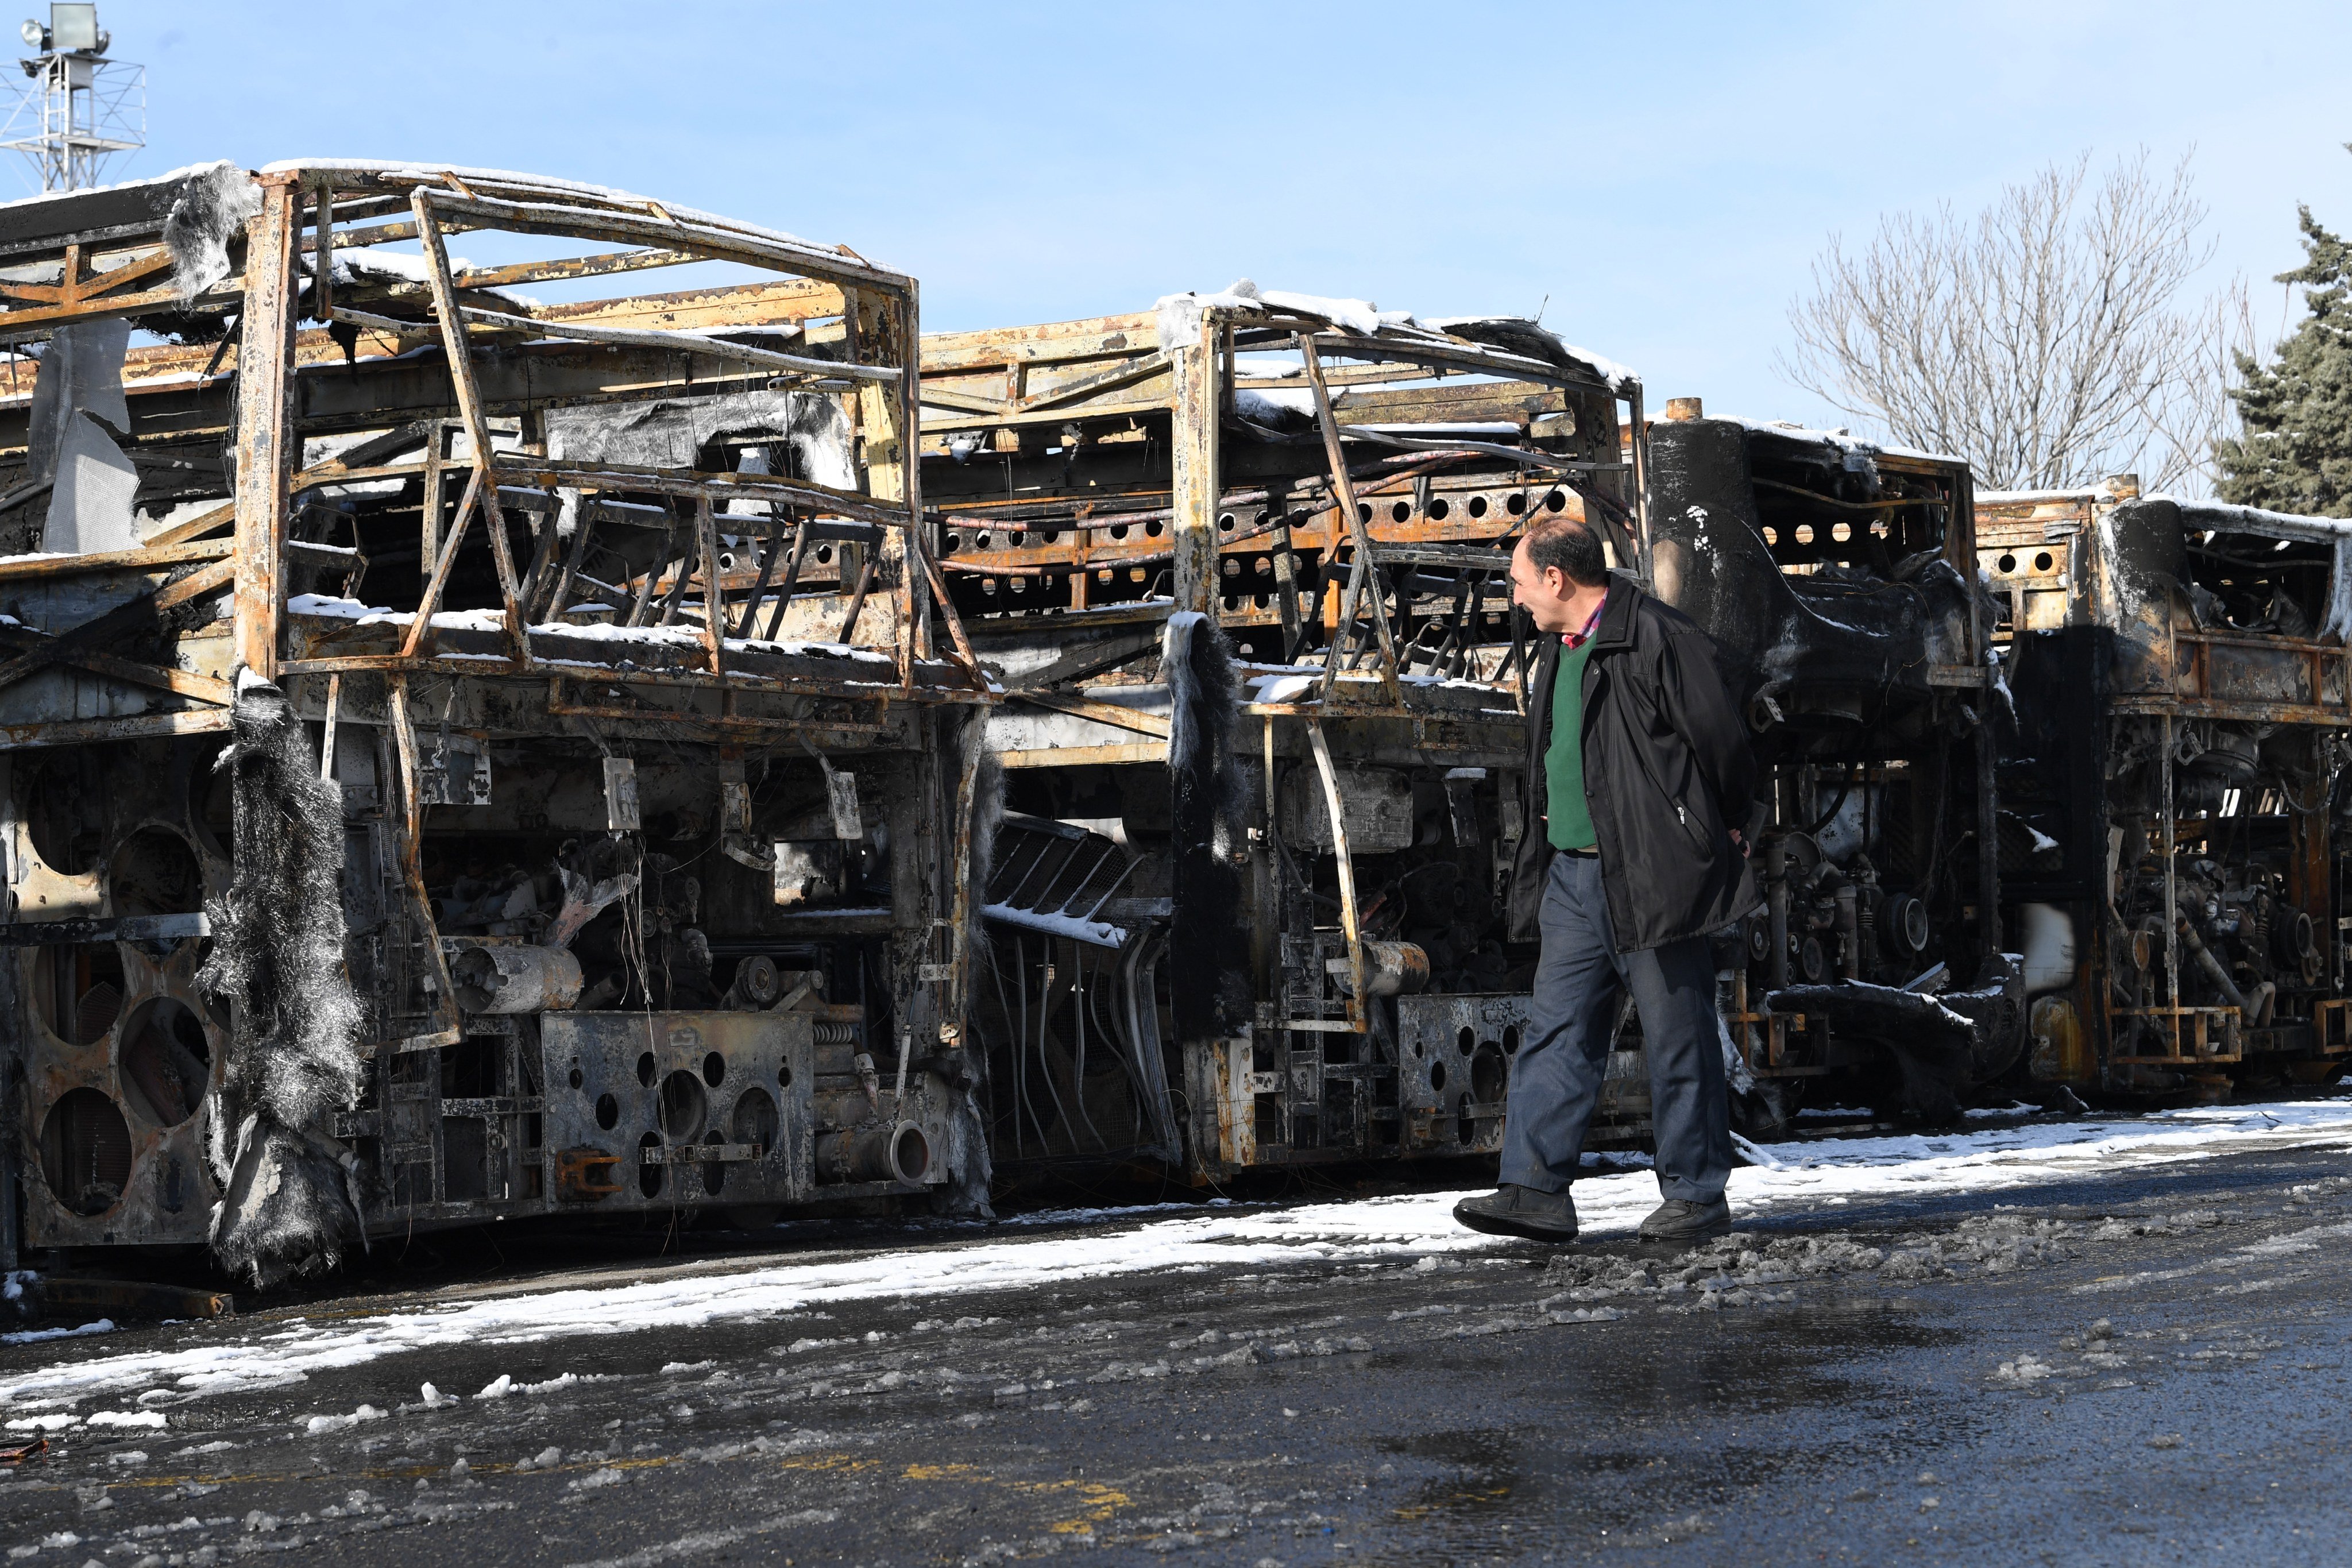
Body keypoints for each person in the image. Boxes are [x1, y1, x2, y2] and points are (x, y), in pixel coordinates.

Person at [1453, 513, 1760, 1244]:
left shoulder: (1659, 637)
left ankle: (1696, 1195)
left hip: (1654, 873)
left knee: (1678, 1036)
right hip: (1572, 874)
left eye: (1520, 582)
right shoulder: (1559, 648)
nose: (1516, 597)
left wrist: (1724, 829)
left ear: (1556, 577)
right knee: (1557, 1032)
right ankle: (1534, 1192)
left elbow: (1725, 747)